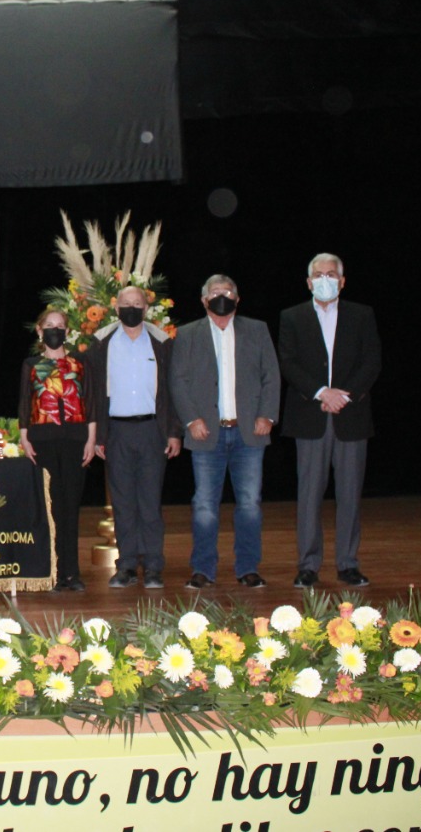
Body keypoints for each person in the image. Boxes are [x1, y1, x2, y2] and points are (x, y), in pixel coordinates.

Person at [169, 274, 281, 590]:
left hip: (249, 432)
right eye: (216, 292)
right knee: (204, 505)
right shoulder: (187, 334)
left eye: (228, 292)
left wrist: (267, 415)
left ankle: (248, 568)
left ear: (237, 298)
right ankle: (203, 569)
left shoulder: (257, 330)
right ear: (204, 300)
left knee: (250, 503)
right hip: (206, 434)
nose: (222, 297)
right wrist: (191, 420)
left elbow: (271, 375)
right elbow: (178, 380)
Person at [278, 253, 381, 588]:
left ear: (342, 281)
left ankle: (348, 563)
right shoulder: (292, 316)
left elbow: (371, 361)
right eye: (319, 275)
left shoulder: (361, 315)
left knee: (350, 494)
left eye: (332, 274)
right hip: (310, 418)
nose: (326, 279)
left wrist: (343, 396)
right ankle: (308, 565)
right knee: (309, 495)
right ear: (309, 282)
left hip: (351, 417)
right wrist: (322, 392)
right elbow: (288, 362)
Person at [84, 287, 182, 590]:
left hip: (152, 430)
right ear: (116, 308)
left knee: (150, 503)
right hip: (116, 432)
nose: (131, 308)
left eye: (137, 303)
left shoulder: (162, 342)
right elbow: (93, 392)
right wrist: (98, 436)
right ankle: (126, 565)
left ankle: (153, 566)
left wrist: (173, 432)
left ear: (146, 308)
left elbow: (173, 390)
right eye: (126, 304)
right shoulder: (101, 342)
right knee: (123, 503)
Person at [18, 307, 97, 592]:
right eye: (49, 325)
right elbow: (25, 402)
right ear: (40, 331)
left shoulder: (80, 362)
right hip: (42, 440)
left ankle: (71, 573)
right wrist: (24, 437)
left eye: (60, 325)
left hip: (76, 439)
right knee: (50, 506)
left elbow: (91, 402)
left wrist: (91, 440)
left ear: (67, 331)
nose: (55, 330)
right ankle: (51, 572)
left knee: (70, 506)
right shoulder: (31, 364)